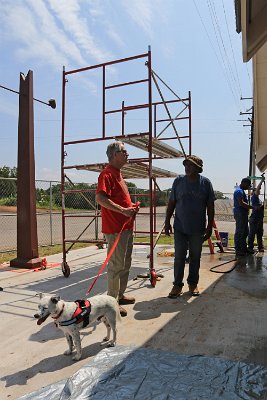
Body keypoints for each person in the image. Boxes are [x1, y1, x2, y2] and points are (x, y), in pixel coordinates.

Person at [96, 141, 140, 317]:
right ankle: (112, 302)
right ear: (114, 155)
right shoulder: (106, 174)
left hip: (126, 227)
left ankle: (119, 296)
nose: (127, 154)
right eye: (124, 151)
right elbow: (100, 198)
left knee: (125, 263)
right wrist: (123, 210)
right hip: (115, 229)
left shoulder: (119, 175)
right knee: (115, 265)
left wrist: (130, 209)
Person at [165, 155, 215, 298]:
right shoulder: (178, 181)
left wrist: (209, 227)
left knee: (195, 257)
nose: (187, 167)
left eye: (191, 165)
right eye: (186, 165)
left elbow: (210, 207)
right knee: (179, 257)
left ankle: (192, 284)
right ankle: (177, 285)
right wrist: (167, 222)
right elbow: (172, 203)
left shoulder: (205, 183)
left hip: (197, 228)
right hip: (180, 227)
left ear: (198, 168)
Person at [233, 177, 257, 257]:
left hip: (242, 213)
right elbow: (241, 203)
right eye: (248, 185)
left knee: (245, 231)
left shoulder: (241, 191)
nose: (248, 187)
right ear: (244, 183)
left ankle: (243, 248)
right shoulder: (239, 191)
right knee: (240, 232)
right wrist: (253, 207)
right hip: (240, 213)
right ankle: (238, 250)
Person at [248, 176, 265, 252]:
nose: (259, 191)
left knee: (259, 233)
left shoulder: (257, 198)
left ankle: (260, 247)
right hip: (255, 218)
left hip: (259, 218)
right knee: (252, 233)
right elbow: (258, 188)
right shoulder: (254, 197)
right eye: (257, 190)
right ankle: (250, 247)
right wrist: (261, 181)